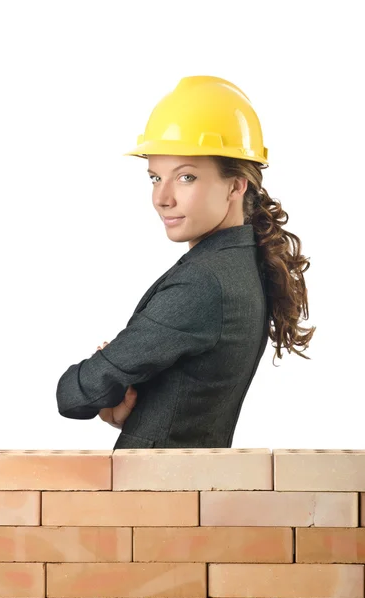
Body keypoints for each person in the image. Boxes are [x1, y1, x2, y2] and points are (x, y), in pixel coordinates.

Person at [56, 75, 316, 449]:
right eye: (155, 177)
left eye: (186, 177)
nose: (162, 198)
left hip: (155, 497)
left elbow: (74, 396)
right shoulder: (241, 265)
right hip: (179, 487)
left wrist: (101, 381)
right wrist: (129, 402)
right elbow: (188, 401)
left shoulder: (205, 282)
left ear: (236, 184)